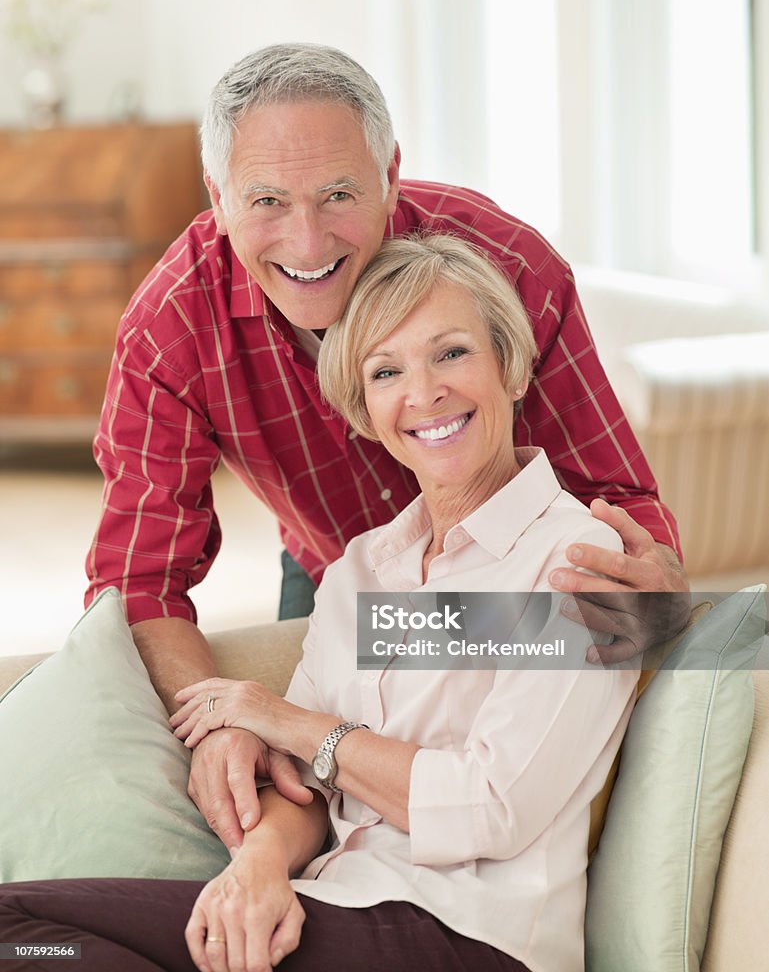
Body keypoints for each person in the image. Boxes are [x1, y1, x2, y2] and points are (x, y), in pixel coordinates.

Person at [84, 42, 689, 852]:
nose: (306, 242)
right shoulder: (172, 327)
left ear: (390, 173)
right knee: (321, 816)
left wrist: (651, 582)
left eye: (338, 193)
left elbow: (616, 498)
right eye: (266, 200)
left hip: (514, 572)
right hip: (336, 568)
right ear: (218, 198)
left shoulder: (508, 267)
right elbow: (138, 583)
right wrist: (218, 724)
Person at [1, 235, 641, 972]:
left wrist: (286, 720)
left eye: (453, 353)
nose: (423, 392)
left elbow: (489, 806)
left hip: (466, 938)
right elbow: (301, 781)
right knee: (21, 932)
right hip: (334, 910)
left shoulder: (575, 562)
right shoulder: (361, 575)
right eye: (385, 370)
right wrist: (257, 866)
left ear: (512, 365)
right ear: (364, 407)